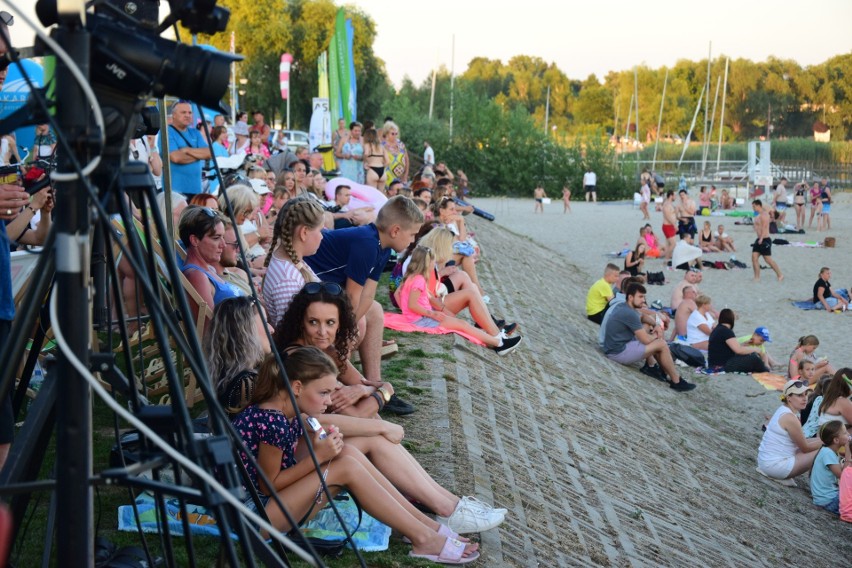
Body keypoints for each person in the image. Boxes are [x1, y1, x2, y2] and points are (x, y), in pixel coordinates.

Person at [232, 349, 482, 564]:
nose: (329, 401)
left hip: (262, 506)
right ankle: (424, 539)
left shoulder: (288, 411)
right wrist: (319, 457)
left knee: (348, 453)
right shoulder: (272, 421)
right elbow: (268, 485)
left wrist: (328, 449)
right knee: (345, 468)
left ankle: (426, 527)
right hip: (253, 517)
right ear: (297, 387)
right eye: (324, 393)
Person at [304, 196, 424, 414]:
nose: (413, 240)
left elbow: (368, 294)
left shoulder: (383, 246)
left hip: (328, 289)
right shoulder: (366, 243)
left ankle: (373, 383)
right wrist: (347, 330)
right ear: (396, 230)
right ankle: (338, 385)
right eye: (413, 234)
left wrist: (348, 326)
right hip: (308, 284)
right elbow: (352, 296)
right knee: (357, 324)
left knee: (375, 311)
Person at [398, 246, 522, 355]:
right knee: (463, 325)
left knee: (463, 323)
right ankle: (500, 343)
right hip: (425, 319)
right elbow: (413, 304)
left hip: (424, 316)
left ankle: (499, 340)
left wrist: (407, 314)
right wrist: (430, 314)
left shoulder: (414, 277)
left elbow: (400, 294)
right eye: (432, 262)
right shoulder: (419, 280)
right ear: (426, 263)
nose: (434, 264)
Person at [601, 283, 695, 391]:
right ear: (631, 297)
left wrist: (656, 325)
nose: (643, 300)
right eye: (640, 297)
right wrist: (656, 335)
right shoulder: (628, 313)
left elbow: (643, 317)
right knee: (661, 344)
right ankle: (677, 381)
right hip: (617, 352)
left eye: (644, 297)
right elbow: (645, 340)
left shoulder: (625, 306)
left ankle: (663, 371)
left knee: (649, 329)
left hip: (616, 346)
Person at [262, 196, 324, 327]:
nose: (322, 236)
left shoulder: (289, 262)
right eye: (320, 230)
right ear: (304, 232)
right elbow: (289, 331)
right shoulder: (288, 279)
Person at [203, 296, 272, 416]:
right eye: (265, 322)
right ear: (247, 329)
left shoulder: (230, 376)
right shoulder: (246, 382)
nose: (271, 329)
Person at [179, 206, 246, 323]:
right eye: (216, 238)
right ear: (194, 240)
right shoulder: (196, 276)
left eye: (223, 237)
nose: (223, 245)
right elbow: (208, 331)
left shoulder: (208, 270)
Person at [756, 379, 822, 486]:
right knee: (825, 450)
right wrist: (826, 441)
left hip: (766, 462)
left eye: (805, 394)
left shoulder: (785, 410)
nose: (805, 398)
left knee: (822, 444)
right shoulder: (790, 417)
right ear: (789, 398)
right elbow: (805, 447)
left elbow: (803, 441)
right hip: (774, 466)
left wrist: (821, 440)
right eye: (800, 395)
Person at [167, 101, 212, 196]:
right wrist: (199, 155)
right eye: (183, 112)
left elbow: (209, 153)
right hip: (175, 191)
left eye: (190, 112)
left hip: (196, 189)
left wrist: (187, 150)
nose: (187, 115)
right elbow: (176, 157)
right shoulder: (167, 132)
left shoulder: (195, 132)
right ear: (174, 115)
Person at [706, 309, 769, 373]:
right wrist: (756, 349)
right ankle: (766, 370)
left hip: (714, 364)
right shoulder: (726, 331)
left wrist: (743, 345)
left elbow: (725, 349)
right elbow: (738, 350)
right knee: (753, 357)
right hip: (724, 365)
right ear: (731, 319)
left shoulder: (718, 329)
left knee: (749, 355)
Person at [810, 421, 849, 515]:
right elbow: (844, 476)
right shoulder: (828, 454)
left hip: (826, 498)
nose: (848, 434)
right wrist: (848, 452)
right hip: (828, 501)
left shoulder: (828, 451)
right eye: (845, 433)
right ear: (836, 440)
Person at [750, 200, 783, 282]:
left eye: (754, 206)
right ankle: (757, 277)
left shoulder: (764, 215)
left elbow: (765, 227)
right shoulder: (757, 215)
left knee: (768, 260)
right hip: (759, 239)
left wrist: (761, 238)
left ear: (759, 206)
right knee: (754, 257)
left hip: (765, 239)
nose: (753, 208)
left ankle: (780, 274)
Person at [362, 127, 388, 192]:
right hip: (382, 172)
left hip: (372, 170)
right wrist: (382, 165)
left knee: (372, 195)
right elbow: (388, 161)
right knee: (381, 196)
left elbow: (366, 153)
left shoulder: (367, 145)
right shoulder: (381, 146)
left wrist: (365, 162)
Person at [661, 191, 678, 262]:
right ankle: (666, 260)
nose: (676, 197)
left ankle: (667, 260)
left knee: (668, 244)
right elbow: (667, 216)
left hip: (671, 226)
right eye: (675, 195)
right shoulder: (666, 204)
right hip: (667, 226)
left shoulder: (670, 204)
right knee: (673, 244)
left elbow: (673, 215)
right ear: (671, 195)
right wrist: (674, 225)